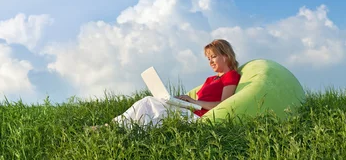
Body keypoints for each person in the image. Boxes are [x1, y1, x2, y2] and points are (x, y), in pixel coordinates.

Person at [91, 39, 241, 130]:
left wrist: (194, 102)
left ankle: (111, 128)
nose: (210, 61)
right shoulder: (210, 79)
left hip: (197, 117)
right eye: (208, 58)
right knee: (151, 105)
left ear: (226, 56)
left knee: (148, 102)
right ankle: (114, 128)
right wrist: (182, 101)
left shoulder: (230, 76)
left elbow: (223, 104)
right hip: (190, 110)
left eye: (213, 57)